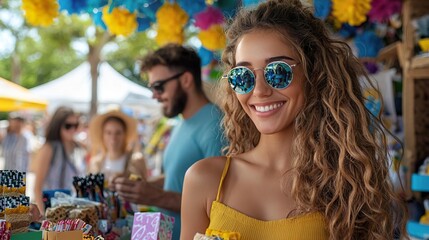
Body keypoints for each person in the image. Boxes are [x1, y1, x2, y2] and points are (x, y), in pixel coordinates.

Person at [181, 1, 407, 239]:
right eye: (242, 75)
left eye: (277, 71)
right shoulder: (204, 180)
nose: (259, 91)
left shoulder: (345, 187)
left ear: (315, 74)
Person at [111, 44, 226, 239]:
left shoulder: (215, 124)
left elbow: (221, 203)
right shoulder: (182, 122)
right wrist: (139, 186)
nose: (154, 95)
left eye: (159, 86)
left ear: (186, 80)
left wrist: (155, 196)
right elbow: (177, 178)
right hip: (158, 231)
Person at [31, 106, 87, 213]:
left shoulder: (79, 147)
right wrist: (42, 215)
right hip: (52, 210)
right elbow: (37, 187)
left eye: (75, 125)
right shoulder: (49, 148)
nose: (72, 129)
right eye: (68, 125)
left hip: (74, 210)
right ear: (58, 125)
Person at [88, 110, 147, 182]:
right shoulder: (95, 163)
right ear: (102, 135)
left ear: (124, 135)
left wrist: (128, 177)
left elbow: (143, 183)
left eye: (118, 133)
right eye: (108, 133)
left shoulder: (136, 160)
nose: (113, 138)